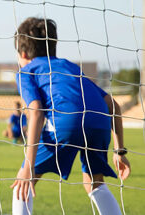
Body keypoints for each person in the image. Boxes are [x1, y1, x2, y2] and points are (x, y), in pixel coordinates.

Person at [11, 17, 130, 215]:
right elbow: (114, 106)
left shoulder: (26, 71)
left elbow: (36, 110)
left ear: (22, 53)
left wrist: (28, 166)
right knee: (95, 183)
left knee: (22, 183)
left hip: (67, 120)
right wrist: (119, 151)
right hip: (99, 120)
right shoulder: (70, 67)